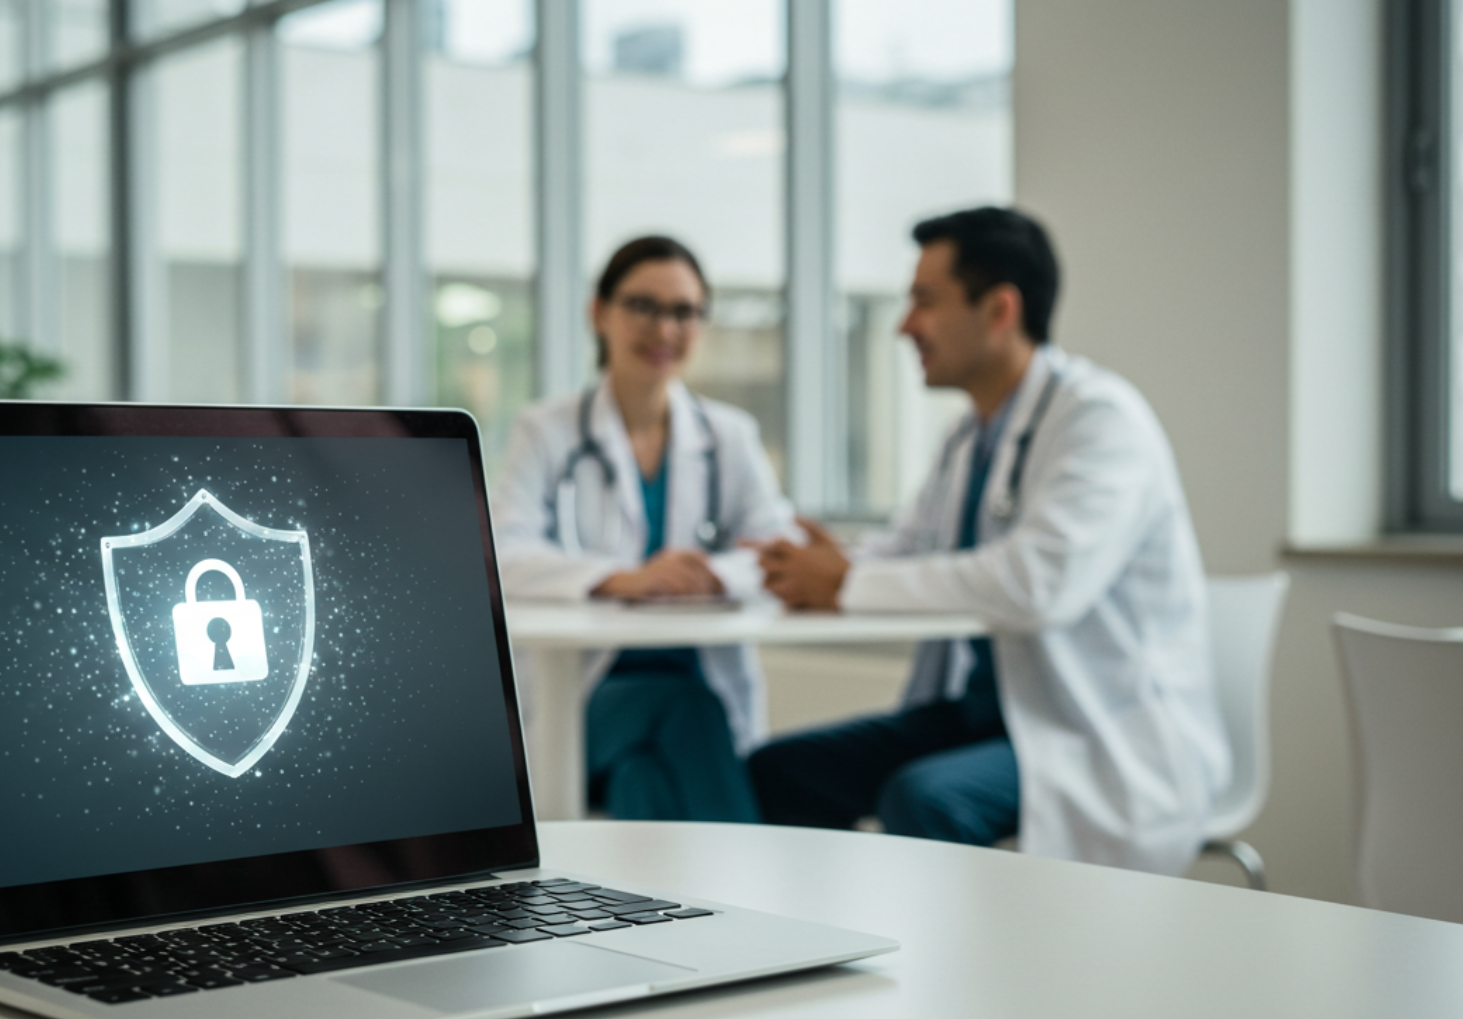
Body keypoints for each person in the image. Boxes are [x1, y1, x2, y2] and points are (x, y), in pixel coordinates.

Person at [747, 207, 1227, 875]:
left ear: (999, 309)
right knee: (782, 770)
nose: (904, 326)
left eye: (924, 301)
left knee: (925, 798)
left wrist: (848, 583)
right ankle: (806, 955)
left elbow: (1036, 585)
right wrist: (817, 568)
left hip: (1089, 728)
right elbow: (911, 551)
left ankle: (947, 977)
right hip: (980, 717)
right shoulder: (970, 434)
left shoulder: (1098, 420)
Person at [494, 236, 797, 822]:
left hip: (691, 698)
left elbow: (777, 548)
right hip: (581, 701)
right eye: (642, 306)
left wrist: (709, 574)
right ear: (599, 312)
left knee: (644, 779)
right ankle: (762, 886)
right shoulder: (547, 430)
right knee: (684, 707)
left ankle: (670, 913)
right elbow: (501, 552)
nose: (664, 329)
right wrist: (621, 578)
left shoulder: (728, 436)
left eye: (684, 311)